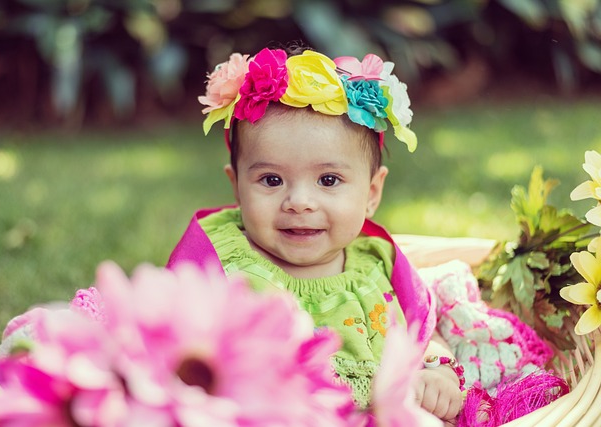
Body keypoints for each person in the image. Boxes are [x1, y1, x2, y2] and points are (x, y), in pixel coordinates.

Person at [167, 44, 464, 423]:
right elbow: (180, 347)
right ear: (237, 187)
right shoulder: (224, 265)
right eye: (271, 180)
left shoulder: (377, 267)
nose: (300, 201)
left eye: (328, 180)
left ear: (371, 194)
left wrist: (438, 375)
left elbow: (420, 337)